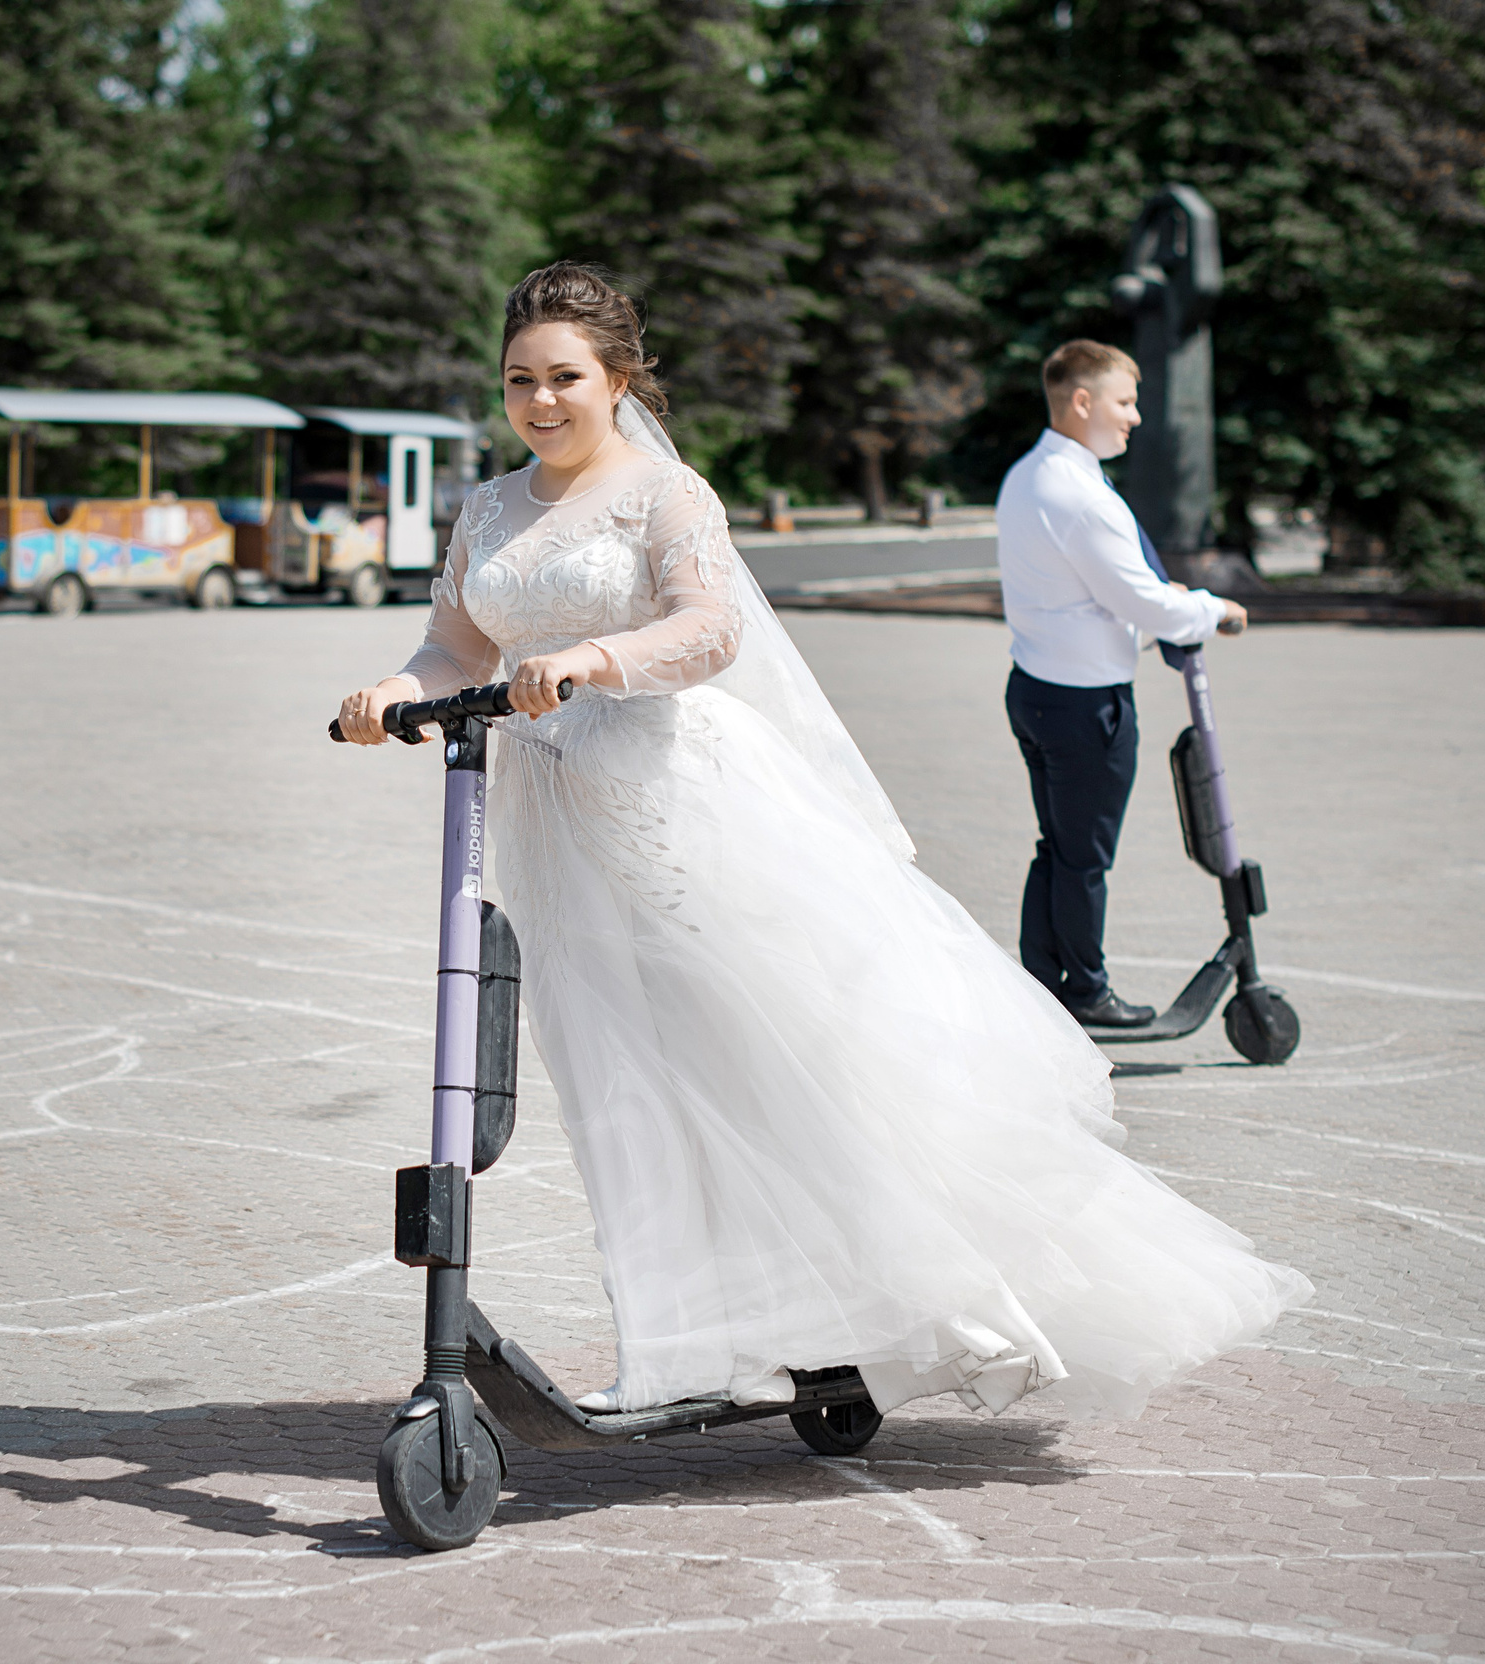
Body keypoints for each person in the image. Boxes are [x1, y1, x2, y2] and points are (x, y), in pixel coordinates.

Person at [337, 263, 1308, 1419]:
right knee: (620, 1089)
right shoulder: (490, 508)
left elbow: (710, 630)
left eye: (564, 378)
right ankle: (682, 1345)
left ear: (618, 379)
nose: (540, 401)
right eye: (519, 380)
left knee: (773, 1068)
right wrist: (394, 689)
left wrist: (597, 658)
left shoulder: (665, 493)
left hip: (679, 810)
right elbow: (457, 645)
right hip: (552, 827)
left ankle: (920, 1307)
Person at [995, 341, 1249, 1029]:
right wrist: (1214, 608)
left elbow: (1087, 591)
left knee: (1058, 849)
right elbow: (1145, 604)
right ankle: (1085, 991)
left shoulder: (1027, 475)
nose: (1135, 417)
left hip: (1036, 690)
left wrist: (1162, 602)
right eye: (1125, 402)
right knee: (1083, 858)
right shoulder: (1083, 496)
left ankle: (1044, 986)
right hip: (1086, 707)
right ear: (1083, 402)